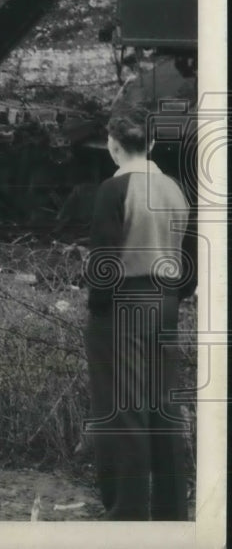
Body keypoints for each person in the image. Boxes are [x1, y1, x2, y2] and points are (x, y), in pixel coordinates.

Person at [83, 108, 194, 520]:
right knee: (163, 406)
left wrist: (98, 311)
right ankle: (171, 511)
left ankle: (126, 510)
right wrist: (173, 297)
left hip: (122, 304)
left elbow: (104, 263)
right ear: (150, 144)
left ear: (112, 146)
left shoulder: (113, 191)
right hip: (166, 302)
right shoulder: (175, 189)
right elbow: (191, 259)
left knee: (121, 407)